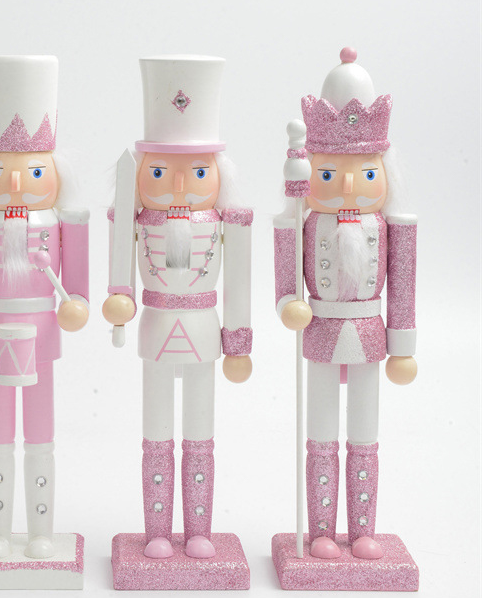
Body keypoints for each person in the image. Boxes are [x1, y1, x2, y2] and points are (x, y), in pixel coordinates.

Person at [104, 56, 252, 560]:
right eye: (161, 171)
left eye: (199, 171)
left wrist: (239, 342)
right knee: (156, 433)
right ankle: (158, 532)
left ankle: (199, 531)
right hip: (155, 327)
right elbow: (120, 269)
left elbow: (239, 284)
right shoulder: (137, 220)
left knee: (201, 433)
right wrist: (119, 299)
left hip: (205, 330)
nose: (181, 186)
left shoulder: (224, 223)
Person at [0, 55, 88, 560]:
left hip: (43, 328)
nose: (17, 184)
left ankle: (42, 532)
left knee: (42, 434)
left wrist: (76, 305)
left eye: (35, 171)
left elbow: (77, 291)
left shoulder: (62, 221)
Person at [274, 48, 417, 560]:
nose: (351, 185)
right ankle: (320, 532)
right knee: (320, 432)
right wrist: (288, 304)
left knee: (364, 433)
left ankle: (361, 532)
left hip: (370, 334)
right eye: (331, 174)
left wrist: (404, 346)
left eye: (366, 174)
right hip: (321, 330)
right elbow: (285, 279)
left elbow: (404, 287)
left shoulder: (391, 226)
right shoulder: (302, 222)